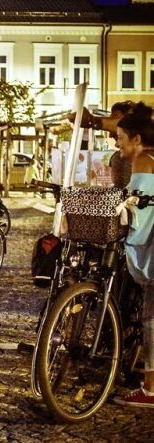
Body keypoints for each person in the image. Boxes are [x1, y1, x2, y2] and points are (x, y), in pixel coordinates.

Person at [112, 103, 154, 408]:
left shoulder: (143, 160)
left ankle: (150, 390)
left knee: (151, 318)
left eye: (121, 137)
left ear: (137, 139)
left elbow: (138, 207)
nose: (117, 143)